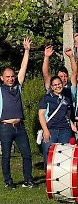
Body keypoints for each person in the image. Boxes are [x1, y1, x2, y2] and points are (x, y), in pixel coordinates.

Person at [0, 37, 37, 189]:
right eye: (7, 77)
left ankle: (28, 180)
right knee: (7, 156)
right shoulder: (0, 89)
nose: (10, 79)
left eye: (12, 76)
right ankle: (8, 181)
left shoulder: (18, 87)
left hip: (20, 127)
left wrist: (27, 50)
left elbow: (23, 67)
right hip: (5, 127)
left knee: (27, 154)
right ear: (2, 78)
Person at [38, 75, 73, 170]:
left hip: (65, 130)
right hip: (50, 129)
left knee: (64, 154)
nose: (58, 86)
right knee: (48, 153)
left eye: (59, 84)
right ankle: (49, 176)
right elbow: (41, 114)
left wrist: (72, 127)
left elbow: (68, 115)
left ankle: (61, 176)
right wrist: (45, 130)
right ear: (52, 87)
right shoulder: (46, 98)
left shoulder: (67, 99)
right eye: (55, 85)